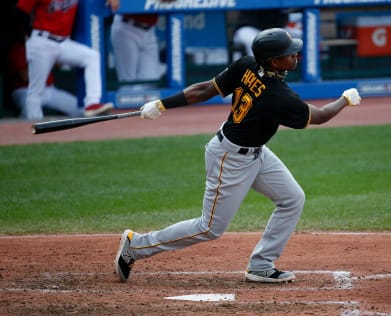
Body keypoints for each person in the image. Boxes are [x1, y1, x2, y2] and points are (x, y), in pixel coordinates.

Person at [115, 28, 361, 283]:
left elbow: (204, 90)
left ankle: (261, 264)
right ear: (273, 61)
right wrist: (345, 99)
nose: (296, 56)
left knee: (292, 198)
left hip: (256, 153)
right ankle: (137, 246)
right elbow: (319, 117)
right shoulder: (277, 95)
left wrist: (162, 104)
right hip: (230, 158)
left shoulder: (247, 65)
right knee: (209, 228)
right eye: (290, 54)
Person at [14, 0, 120, 120]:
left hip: (63, 42)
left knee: (91, 57)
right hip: (42, 40)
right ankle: (34, 126)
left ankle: (92, 103)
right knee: (36, 90)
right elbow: (19, 12)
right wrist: (28, 36)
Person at [7, 26, 82, 118]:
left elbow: (61, 65)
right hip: (24, 90)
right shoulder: (17, 50)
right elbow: (24, 77)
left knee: (78, 108)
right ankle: (20, 131)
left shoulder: (44, 47)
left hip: (48, 90)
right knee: (30, 112)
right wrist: (41, 66)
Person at [110, 14, 166, 89]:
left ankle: (141, 101)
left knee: (150, 81)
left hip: (149, 31)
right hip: (127, 27)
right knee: (128, 82)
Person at [232, 9, 302, 57]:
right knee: (254, 40)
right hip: (249, 27)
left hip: (276, 28)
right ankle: (258, 74)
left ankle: (308, 72)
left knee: (302, 35)